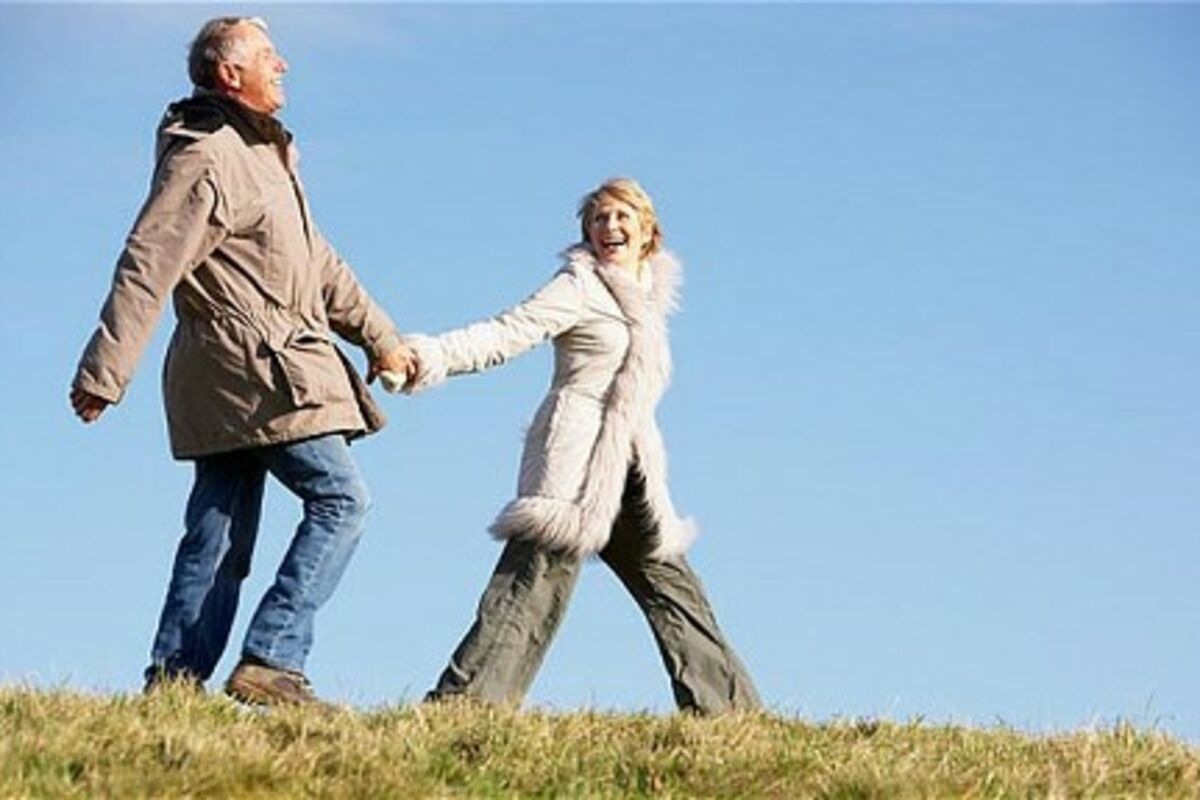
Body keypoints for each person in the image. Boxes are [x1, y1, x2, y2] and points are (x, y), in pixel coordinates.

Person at [69, 16, 414, 706]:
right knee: (342, 500)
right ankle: (272, 657)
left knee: (218, 531)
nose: (283, 66)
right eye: (268, 56)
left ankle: (174, 683)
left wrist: (380, 336)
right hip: (256, 368)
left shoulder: (262, 154)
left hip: (242, 371)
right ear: (230, 73)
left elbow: (318, 265)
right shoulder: (209, 155)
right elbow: (149, 261)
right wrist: (106, 371)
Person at [395, 178, 761, 714]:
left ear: (647, 231)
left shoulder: (648, 296)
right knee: (534, 580)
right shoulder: (578, 285)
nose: (608, 227)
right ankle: (465, 703)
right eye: (598, 219)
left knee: (673, 583)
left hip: (631, 462)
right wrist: (429, 356)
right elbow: (506, 332)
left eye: (620, 217)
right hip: (575, 454)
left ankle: (728, 712)